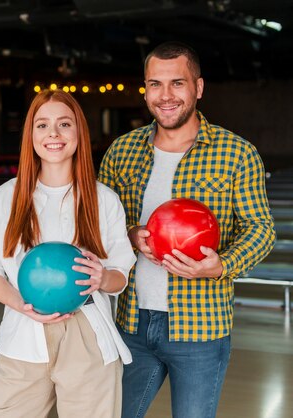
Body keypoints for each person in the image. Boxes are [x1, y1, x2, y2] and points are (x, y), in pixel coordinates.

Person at [98, 41, 276, 418]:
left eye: (177, 83)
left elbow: (260, 228)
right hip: (130, 321)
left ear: (198, 87)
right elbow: (97, 225)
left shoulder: (235, 153)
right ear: (145, 89)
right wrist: (129, 235)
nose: (165, 96)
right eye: (155, 84)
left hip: (201, 326)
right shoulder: (121, 151)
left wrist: (222, 265)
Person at [0, 89, 136, 417]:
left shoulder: (103, 199)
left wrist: (102, 277)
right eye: (43, 125)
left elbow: (120, 274)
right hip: (22, 330)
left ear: (79, 133)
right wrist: (21, 304)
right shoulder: (6, 197)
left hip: (87, 334)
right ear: (30, 135)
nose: (54, 134)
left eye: (64, 124)